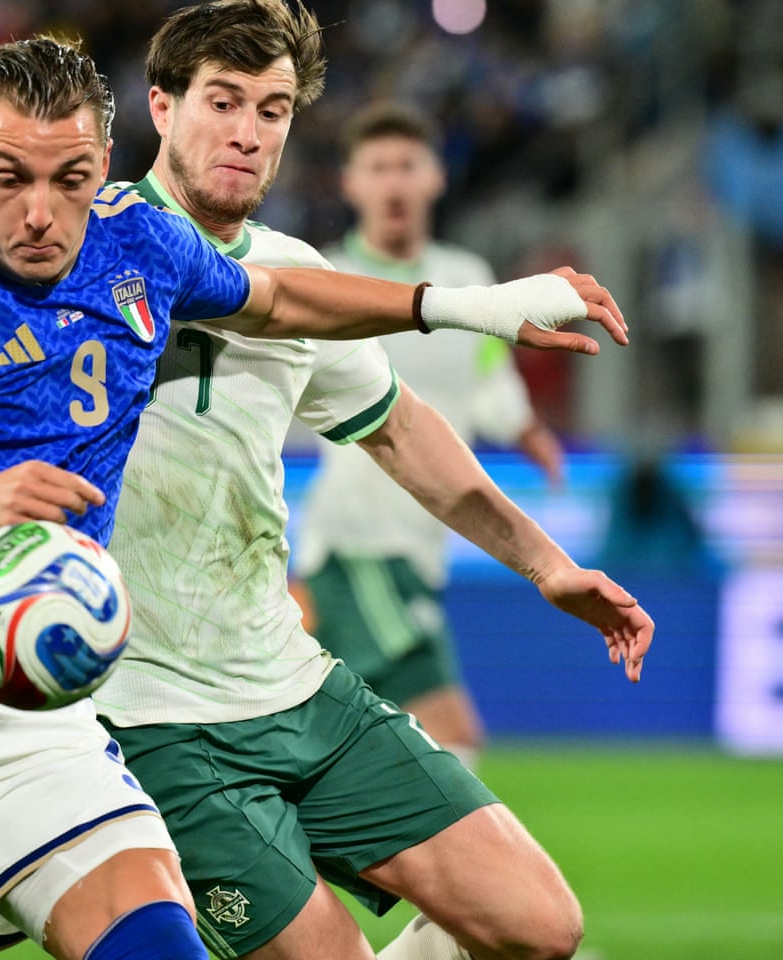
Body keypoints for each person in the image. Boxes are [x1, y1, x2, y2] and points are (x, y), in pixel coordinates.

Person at [0, 33, 633, 960]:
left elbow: (281, 300)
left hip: (31, 704)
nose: (43, 211)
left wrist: (468, 307)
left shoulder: (140, 246)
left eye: (72, 179)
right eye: (9, 178)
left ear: (101, 171)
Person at [92, 4, 653, 960]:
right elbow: (265, 304)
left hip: (291, 685)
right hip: (150, 715)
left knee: (539, 925)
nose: (246, 132)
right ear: (160, 106)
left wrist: (547, 565)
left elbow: (400, 430)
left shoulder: (291, 265)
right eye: (222, 102)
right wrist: (477, 307)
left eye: (272, 111)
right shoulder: (88, 244)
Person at [296, 102, 565, 772]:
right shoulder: (322, 280)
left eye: (406, 165)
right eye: (377, 167)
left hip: (421, 545)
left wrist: (526, 428)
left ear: (435, 178)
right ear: (351, 185)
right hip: (361, 543)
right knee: (451, 731)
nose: (393, 182)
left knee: (338, 745)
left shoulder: (467, 279)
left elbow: (486, 378)